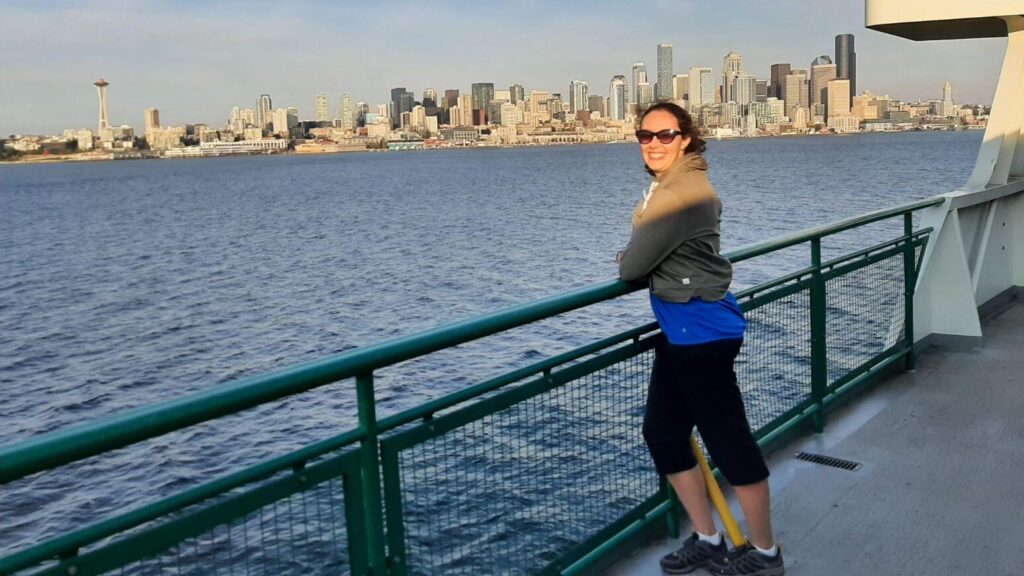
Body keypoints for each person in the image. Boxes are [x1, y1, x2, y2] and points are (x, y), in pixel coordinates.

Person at [618, 101, 784, 576]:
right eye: (645, 136)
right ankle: (709, 538)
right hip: (684, 328)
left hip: (701, 333)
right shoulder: (672, 184)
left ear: (685, 138)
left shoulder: (680, 191)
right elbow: (656, 252)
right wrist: (641, 252)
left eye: (665, 135)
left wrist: (633, 255)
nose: (653, 143)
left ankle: (766, 553)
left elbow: (633, 267)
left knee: (728, 441)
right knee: (663, 433)